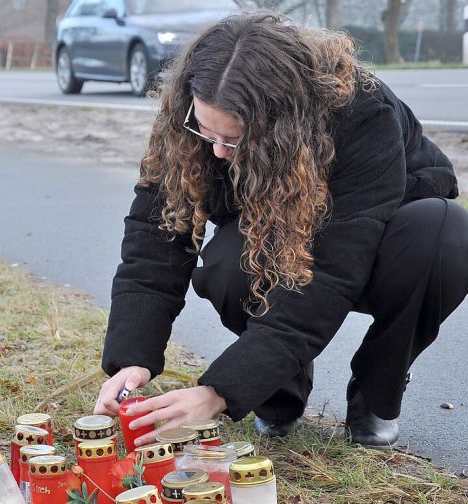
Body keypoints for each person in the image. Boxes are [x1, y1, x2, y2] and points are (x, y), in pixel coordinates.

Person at [93, 14, 467, 449]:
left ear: (281, 124)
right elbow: (156, 238)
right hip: (276, 232)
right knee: (228, 263)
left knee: (444, 234)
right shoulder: (190, 120)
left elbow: (329, 275)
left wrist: (219, 391)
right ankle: (278, 393)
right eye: (205, 130)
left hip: (382, 243)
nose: (216, 151)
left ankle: (375, 391)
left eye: (233, 140)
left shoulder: (363, 113)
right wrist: (132, 359)